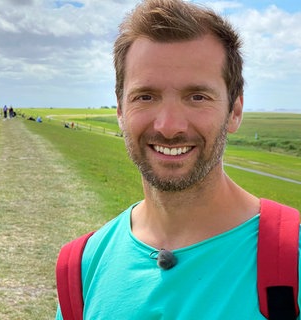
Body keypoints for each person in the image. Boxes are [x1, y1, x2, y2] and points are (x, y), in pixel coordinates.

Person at [55, 0, 299, 319]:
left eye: (197, 97)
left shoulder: (292, 257)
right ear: (119, 110)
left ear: (234, 111)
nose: (169, 127)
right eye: (146, 96)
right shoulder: (81, 267)